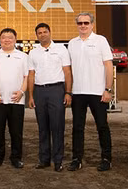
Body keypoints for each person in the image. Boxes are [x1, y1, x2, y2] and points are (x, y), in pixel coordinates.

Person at [67, 11, 114, 172]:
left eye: (86, 23)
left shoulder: (101, 40)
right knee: (77, 128)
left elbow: (108, 66)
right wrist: (69, 91)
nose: (83, 26)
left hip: (98, 92)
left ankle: (106, 159)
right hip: (78, 92)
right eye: (80, 23)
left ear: (92, 24)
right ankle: (76, 159)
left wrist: (108, 89)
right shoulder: (72, 43)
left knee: (102, 126)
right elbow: (69, 69)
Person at [28, 22, 72, 172]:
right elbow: (31, 74)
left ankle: (58, 161)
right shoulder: (33, 53)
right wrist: (31, 96)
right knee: (42, 127)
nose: (42, 35)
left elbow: (67, 72)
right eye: (39, 33)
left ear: (49, 32)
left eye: (44, 32)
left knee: (57, 126)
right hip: (39, 91)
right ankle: (44, 159)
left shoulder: (61, 49)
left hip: (56, 90)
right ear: (37, 35)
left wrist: (68, 92)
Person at [0, 28, 29, 169]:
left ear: (15, 39)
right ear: (0, 39)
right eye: (4, 37)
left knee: (16, 132)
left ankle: (16, 158)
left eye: (10, 37)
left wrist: (21, 92)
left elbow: (27, 76)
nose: (7, 40)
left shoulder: (23, 56)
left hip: (16, 100)